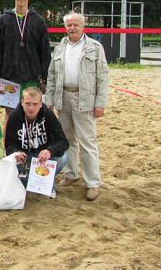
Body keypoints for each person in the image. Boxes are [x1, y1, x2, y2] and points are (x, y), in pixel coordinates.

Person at [45, 11, 109, 201]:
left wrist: (100, 103)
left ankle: (92, 183)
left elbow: (103, 77)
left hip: (85, 100)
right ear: (65, 27)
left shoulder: (95, 48)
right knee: (67, 139)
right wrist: (49, 99)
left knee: (87, 142)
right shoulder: (59, 48)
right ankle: (72, 174)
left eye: (76, 25)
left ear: (83, 26)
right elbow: (51, 75)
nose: (72, 28)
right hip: (62, 97)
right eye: (69, 25)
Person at [0, 0, 51, 115]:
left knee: (31, 115)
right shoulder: (3, 20)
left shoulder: (38, 21)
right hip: (9, 78)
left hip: (32, 78)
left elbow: (45, 52)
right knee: (11, 116)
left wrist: (44, 78)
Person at [5, 87, 69, 198]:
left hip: (43, 157)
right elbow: (9, 145)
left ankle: (47, 184)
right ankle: (38, 184)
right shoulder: (14, 117)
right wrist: (16, 153)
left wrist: (50, 151)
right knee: (17, 171)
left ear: (40, 104)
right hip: (25, 157)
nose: (31, 108)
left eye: (35, 104)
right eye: (27, 103)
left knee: (63, 157)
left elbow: (63, 142)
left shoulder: (48, 115)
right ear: (22, 103)